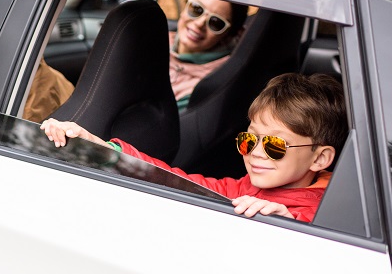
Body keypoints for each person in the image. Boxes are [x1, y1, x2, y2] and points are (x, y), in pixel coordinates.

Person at [41, 73, 348, 222]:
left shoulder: (333, 212)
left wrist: (290, 226)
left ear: (320, 157)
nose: (255, 152)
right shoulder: (244, 187)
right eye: (249, 139)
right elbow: (182, 181)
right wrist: (103, 148)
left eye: (275, 146)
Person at [170, 0, 249, 109]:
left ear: (227, 35)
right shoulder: (152, 37)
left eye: (216, 23)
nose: (199, 23)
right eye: (196, 9)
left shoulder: (204, 87)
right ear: (185, 6)